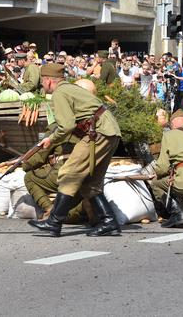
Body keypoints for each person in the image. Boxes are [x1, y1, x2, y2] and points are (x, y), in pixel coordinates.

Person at [28, 64, 122, 237]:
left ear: (49, 80)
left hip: (98, 132)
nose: (42, 85)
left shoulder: (59, 93)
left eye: (42, 81)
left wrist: (51, 139)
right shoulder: (70, 88)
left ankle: (54, 222)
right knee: (90, 182)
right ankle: (109, 222)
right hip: (109, 131)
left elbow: (66, 126)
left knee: (68, 172)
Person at [23, 123, 87, 223]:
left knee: (29, 177)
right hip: (86, 171)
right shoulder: (86, 125)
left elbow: (40, 156)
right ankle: (78, 212)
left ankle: (50, 209)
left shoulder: (57, 128)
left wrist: (25, 164)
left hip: (66, 171)